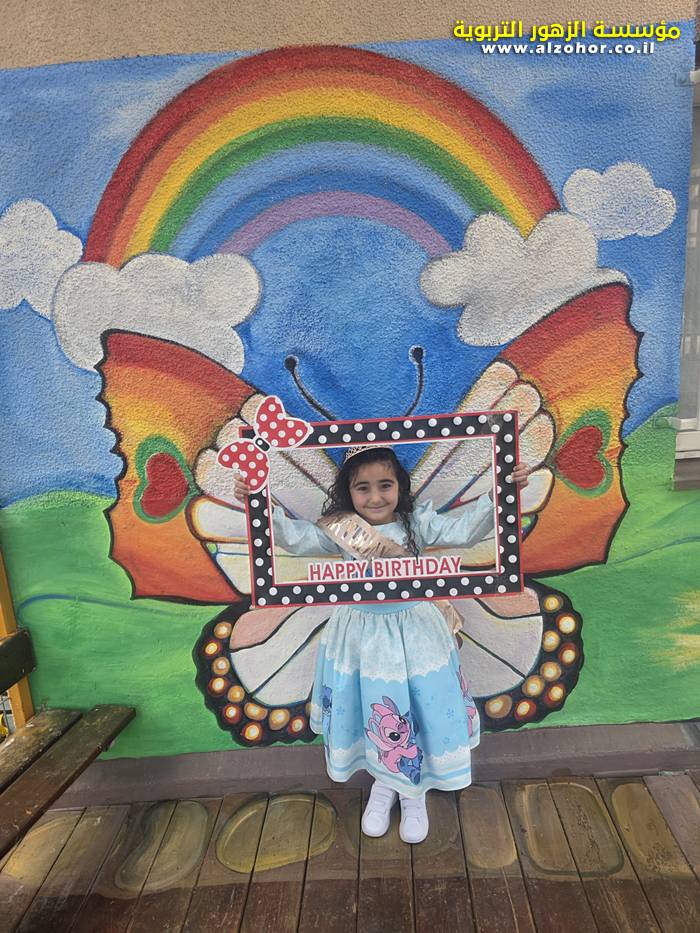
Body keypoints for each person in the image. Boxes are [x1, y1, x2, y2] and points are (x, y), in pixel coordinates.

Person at [235, 445, 528, 844]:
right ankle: (385, 783)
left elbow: (463, 530)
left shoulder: (417, 524)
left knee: (417, 706)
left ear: (400, 487)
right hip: (361, 636)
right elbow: (295, 538)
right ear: (348, 492)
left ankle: (413, 792)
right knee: (375, 708)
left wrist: (502, 493)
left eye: (385, 485)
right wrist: (257, 503)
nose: (375, 497)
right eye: (363, 488)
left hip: (416, 633)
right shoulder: (341, 530)